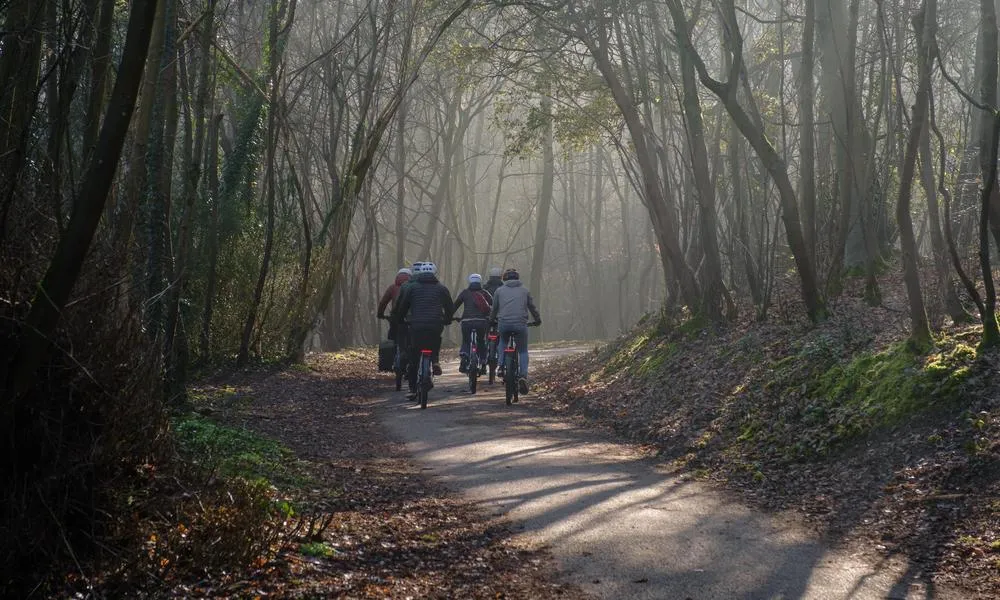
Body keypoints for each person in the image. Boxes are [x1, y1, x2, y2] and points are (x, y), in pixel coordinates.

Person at [392, 262, 454, 398]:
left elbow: (403, 306)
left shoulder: (412, 288)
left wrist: (400, 320)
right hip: (435, 324)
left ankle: (413, 389)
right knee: (435, 341)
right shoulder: (441, 288)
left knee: (414, 356)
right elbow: (450, 307)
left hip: (416, 325)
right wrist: (448, 319)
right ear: (434, 274)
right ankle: (435, 361)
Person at [489, 268, 541, 394]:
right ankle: (523, 375)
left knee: (502, 342)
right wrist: (537, 319)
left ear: (505, 279)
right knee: (523, 350)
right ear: (517, 278)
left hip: (504, 324)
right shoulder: (524, 290)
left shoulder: (499, 291)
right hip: (520, 325)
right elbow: (532, 307)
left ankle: (501, 366)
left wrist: (491, 320)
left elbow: (494, 308)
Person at [451, 274, 492, 374]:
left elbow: (455, 305)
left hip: (466, 321)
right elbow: (492, 304)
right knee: (481, 341)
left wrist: (449, 317)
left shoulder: (465, 293)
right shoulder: (485, 292)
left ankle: (465, 356)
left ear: (470, 281)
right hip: (481, 322)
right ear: (480, 281)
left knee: (466, 340)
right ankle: (483, 362)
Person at [377, 267, 412, 339]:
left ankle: (394, 347)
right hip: (410, 316)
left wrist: (380, 314)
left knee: (392, 336)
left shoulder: (392, 287)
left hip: (396, 316)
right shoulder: (413, 287)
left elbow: (383, 302)